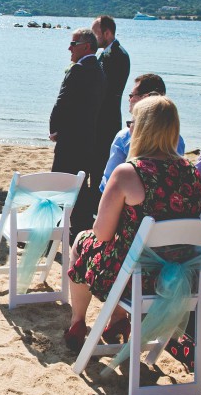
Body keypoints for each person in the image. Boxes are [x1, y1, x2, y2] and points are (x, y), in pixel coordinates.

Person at [63, 96, 201, 351]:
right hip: (176, 279)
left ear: (142, 129)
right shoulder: (192, 173)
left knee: (84, 241)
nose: (129, 128)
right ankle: (118, 318)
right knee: (125, 252)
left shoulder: (129, 173)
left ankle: (78, 321)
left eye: (132, 123)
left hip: (133, 278)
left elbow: (103, 235)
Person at [49, 28, 106, 239]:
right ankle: (80, 229)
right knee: (79, 187)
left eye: (73, 44)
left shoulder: (78, 69)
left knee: (58, 184)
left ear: (86, 46)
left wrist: (54, 129)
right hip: (88, 140)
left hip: (70, 140)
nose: (69, 48)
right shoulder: (100, 71)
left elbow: (62, 103)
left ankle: (49, 231)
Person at [99, 73, 186, 191]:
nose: (129, 99)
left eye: (131, 95)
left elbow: (108, 183)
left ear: (145, 98)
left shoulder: (124, 137)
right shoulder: (176, 138)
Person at [91, 15, 130, 205]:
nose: (92, 37)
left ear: (107, 33)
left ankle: (98, 205)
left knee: (100, 165)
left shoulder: (116, 55)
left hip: (106, 120)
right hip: (105, 118)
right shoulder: (110, 53)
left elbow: (106, 90)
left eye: (95, 33)